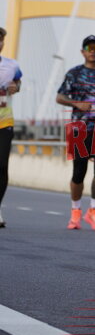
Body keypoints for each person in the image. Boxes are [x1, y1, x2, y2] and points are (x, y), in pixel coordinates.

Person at [57, 36, 95, 231]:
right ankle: (75, 211)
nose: (93, 51)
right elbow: (60, 96)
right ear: (83, 52)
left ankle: (94, 210)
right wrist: (77, 103)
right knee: (79, 172)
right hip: (79, 128)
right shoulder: (74, 73)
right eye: (89, 48)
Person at [0, 27, 22, 228]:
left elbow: (18, 82)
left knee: (2, 166)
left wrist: (16, 87)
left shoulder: (11, 65)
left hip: (4, 121)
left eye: (1, 40)